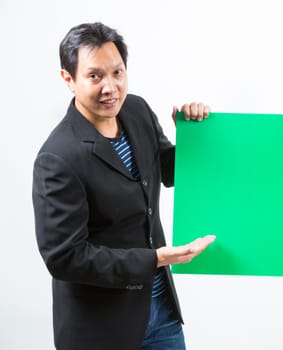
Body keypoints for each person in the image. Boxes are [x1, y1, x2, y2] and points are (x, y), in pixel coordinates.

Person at [32, 22, 216, 350]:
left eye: (117, 72)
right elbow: (66, 258)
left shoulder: (137, 110)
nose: (110, 87)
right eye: (94, 76)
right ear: (68, 79)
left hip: (161, 314)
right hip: (102, 328)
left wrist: (194, 136)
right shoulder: (58, 157)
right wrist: (154, 258)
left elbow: (167, 170)